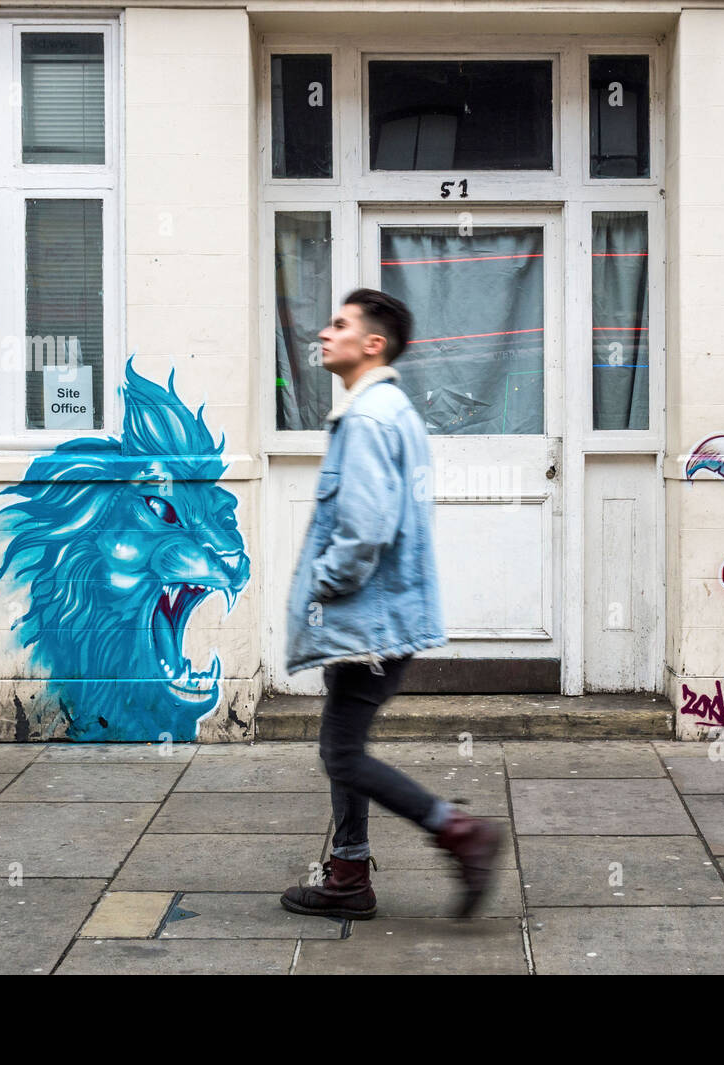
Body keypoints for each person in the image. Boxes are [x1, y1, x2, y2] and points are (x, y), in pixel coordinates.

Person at [280, 288, 501, 920]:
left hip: (366, 623)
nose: (324, 334)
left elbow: (366, 528)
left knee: (342, 752)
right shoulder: (385, 408)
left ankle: (458, 832)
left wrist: (323, 583)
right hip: (373, 621)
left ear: (372, 344)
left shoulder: (371, 417)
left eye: (339, 325)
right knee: (340, 742)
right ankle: (348, 874)